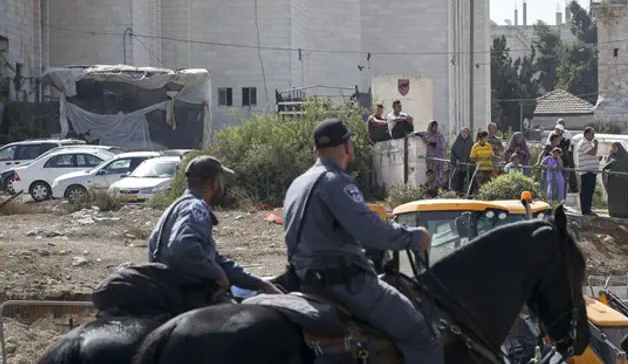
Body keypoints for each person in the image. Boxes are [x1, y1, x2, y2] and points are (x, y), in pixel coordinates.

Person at [283, 118, 441, 363]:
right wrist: (412, 237)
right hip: (346, 285)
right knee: (423, 336)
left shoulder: (298, 183)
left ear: (316, 150)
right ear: (348, 147)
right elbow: (371, 231)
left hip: (305, 282)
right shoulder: (335, 181)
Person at [148, 156, 278, 303]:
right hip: (186, 294)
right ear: (214, 183)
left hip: (168, 290)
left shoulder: (176, 206)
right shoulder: (196, 208)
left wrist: (259, 283)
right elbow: (182, 246)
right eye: (221, 181)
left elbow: (213, 259)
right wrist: (217, 275)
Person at [603, 142, 628, 220]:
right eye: (612, 147)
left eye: (615, 147)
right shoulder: (610, 156)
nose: (613, 148)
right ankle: (613, 213)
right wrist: (609, 172)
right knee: (613, 200)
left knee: (622, 201)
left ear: (619, 147)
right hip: (612, 182)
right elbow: (605, 168)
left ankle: (623, 215)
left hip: (622, 183)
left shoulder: (625, 157)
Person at [577, 127, 600, 216]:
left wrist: (597, 159)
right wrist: (596, 145)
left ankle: (588, 209)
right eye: (592, 134)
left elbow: (592, 155)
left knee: (590, 191)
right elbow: (593, 152)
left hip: (591, 171)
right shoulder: (584, 143)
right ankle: (585, 210)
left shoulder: (588, 143)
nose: (593, 136)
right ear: (586, 134)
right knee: (586, 192)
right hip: (587, 172)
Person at [450, 127, 473, 194]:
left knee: (470, 182)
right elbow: (453, 152)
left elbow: (474, 153)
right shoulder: (457, 142)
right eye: (463, 132)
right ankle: (459, 196)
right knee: (459, 182)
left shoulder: (471, 143)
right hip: (459, 167)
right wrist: (456, 160)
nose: (464, 134)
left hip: (469, 167)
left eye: (466, 132)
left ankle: (469, 196)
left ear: (468, 133)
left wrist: (471, 161)